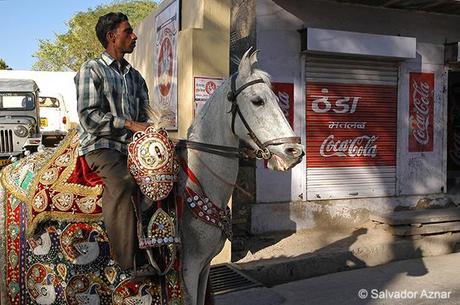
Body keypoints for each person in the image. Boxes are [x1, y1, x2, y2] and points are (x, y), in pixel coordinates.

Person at [75, 12, 150, 270]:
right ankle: (127, 265)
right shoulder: (91, 69)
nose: (134, 35)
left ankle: (162, 252)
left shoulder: (136, 77)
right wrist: (128, 124)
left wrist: (154, 128)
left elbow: (144, 116)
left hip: (131, 148)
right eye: (128, 31)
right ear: (111, 37)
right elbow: (88, 117)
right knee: (122, 183)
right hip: (100, 146)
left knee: (166, 180)